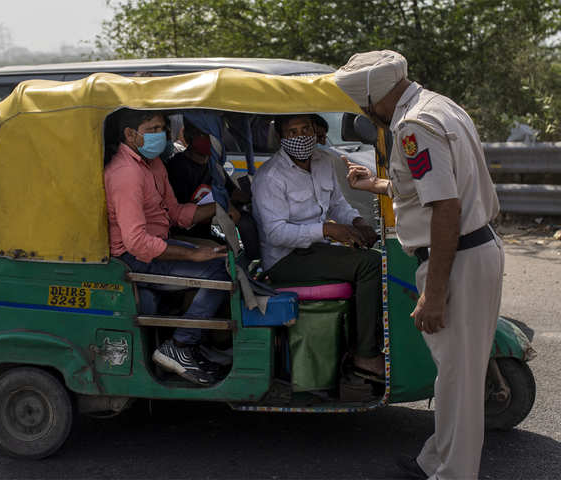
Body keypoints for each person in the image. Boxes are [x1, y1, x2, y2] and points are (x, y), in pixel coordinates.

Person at [337, 50, 503, 480]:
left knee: (459, 383)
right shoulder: (437, 105)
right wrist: (373, 184)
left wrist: (435, 292)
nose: (364, 113)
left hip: (456, 257)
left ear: (372, 99)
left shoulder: (412, 127)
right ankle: (436, 459)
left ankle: (453, 473)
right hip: (471, 250)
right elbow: (422, 185)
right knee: (454, 375)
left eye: (362, 107)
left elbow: (445, 206)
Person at [104, 109, 233, 387]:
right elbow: (137, 242)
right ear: (130, 135)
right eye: (152, 129)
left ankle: (191, 344)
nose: (161, 135)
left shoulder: (153, 165)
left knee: (222, 256)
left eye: (163, 128)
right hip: (134, 257)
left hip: (156, 244)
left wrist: (218, 209)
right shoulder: (126, 175)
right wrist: (192, 253)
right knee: (217, 271)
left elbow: (175, 213)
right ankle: (180, 345)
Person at [252, 113, 385, 380]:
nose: (301, 136)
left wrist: (358, 223)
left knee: (377, 256)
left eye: (306, 129)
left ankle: (357, 343)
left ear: (315, 131)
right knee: (369, 266)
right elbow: (276, 233)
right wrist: (327, 229)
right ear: (281, 137)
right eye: (293, 132)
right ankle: (366, 356)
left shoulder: (323, 161)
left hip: (316, 250)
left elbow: (337, 203)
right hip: (285, 260)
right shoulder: (270, 176)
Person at [167, 119, 260, 260]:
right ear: (190, 137)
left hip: (205, 233)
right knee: (225, 256)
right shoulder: (178, 167)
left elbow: (232, 193)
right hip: (181, 235)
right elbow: (179, 214)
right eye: (205, 136)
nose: (212, 140)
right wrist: (222, 205)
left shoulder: (213, 166)